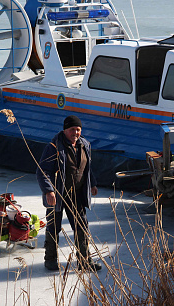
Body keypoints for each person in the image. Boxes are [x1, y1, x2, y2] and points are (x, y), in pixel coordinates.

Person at [37, 115, 102, 271]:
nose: (75, 133)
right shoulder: (54, 147)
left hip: (77, 194)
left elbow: (87, 168)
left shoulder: (84, 145)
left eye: (78, 129)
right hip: (57, 195)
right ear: (65, 130)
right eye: (72, 129)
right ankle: (50, 259)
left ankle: (84, 261)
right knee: (54, 226)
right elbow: (43, 171)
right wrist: (48, 191)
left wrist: (92, 183)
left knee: (81, 226)